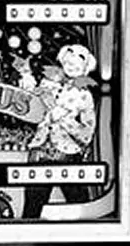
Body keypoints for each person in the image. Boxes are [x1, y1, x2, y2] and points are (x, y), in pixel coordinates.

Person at [23, 44, 98, 219]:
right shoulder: (49, 84)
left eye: (76, 65)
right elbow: (29, 99)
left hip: (67, 153)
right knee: (33, 201)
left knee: (77, 202)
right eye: (68, 63)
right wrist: (26, 75)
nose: (71, 67)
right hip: (40, 149)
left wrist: (64, 120)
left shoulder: (84, 95)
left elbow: (87, 132)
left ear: (84, 69)